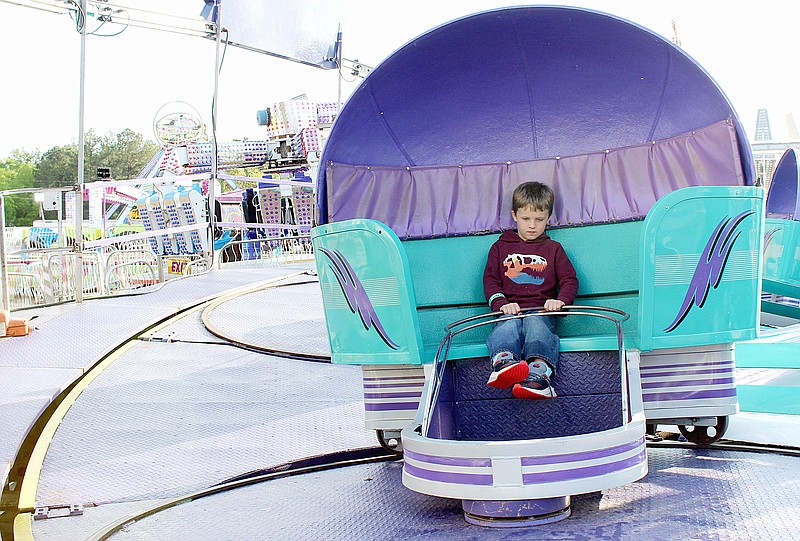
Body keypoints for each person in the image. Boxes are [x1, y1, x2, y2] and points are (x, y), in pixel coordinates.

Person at [483, 181, 579, 399]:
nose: (532, 226)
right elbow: (490, 281)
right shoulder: (500, 248)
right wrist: (501, 304)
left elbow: (570, 280)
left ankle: (539, 374)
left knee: (536, 324)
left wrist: (560, 300)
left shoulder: (553, 249)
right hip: (509, 310)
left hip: (541, 311)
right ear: (514, 215)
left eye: (539, 219)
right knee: (507, 326)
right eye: (526, 219)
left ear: (549, 218)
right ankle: (504, 363)